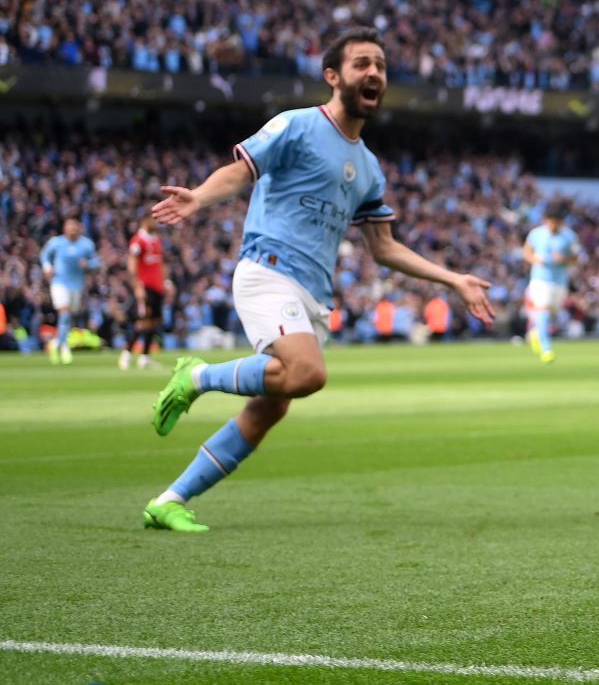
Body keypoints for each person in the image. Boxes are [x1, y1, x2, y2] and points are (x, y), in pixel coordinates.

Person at [140, 28, 495, 532]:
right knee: (308, 373)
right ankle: (195, 376)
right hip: (268, 270)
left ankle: (169, 500)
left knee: (272, 408)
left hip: (311, 295)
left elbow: (384, 247)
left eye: (381, 65)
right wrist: (199, 195)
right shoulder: (297, 125)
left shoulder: (369, 168)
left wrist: (452, 279)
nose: (374, 73)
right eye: (362, 64)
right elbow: (241, 172)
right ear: (333, 76)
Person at [522, 205, 579, 364]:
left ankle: (535, 333)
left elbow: (576, 258)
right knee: (544, 311)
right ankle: (546, 349)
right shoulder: (536, 234)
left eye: (557, 223)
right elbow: (526, 251)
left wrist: (564, 260)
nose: (553, 226)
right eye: (551, 222)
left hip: (559, 282)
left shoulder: (569, 237)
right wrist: (535, 260)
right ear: (546, 221)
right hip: (540, 280)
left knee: (551, 316)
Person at [39, 216, 99, 365]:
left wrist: (89, 265)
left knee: (69, 316)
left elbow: (97, 262)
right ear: (64, 227)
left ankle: (56, 343)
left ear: (79, 227)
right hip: (59, 282)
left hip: (77, 286)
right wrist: (47, 267)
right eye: (69, 225)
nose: (72, 228)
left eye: (74, 225)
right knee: (64, 313)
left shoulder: (86, 245)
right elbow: (44, 255)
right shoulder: (56, 242)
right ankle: (63, 346)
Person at [123, 213, 172, 370]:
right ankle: (127, 353)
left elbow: (161, 263)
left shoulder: (157, 240)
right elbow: (131, 265)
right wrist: (137, 287)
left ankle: (144, 357)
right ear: (144, 221)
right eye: (154, 220)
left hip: (157, 287)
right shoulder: (138, 241)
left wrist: (166, 281)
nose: (157, 223)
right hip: (145, 287)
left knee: (154, 322)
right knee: (143, 321)